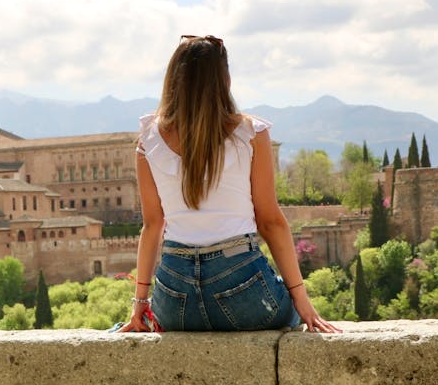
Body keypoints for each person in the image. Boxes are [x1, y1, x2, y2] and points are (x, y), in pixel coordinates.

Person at [118, 35, 339, 333]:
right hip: (243, 289)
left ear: (174, 79)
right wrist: (301, 300)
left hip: (175, 299)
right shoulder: (250, 133)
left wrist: (140, 305)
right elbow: (270, 221)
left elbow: (152, 226)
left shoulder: (148, 139)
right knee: (288, 317)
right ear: (224, 80)